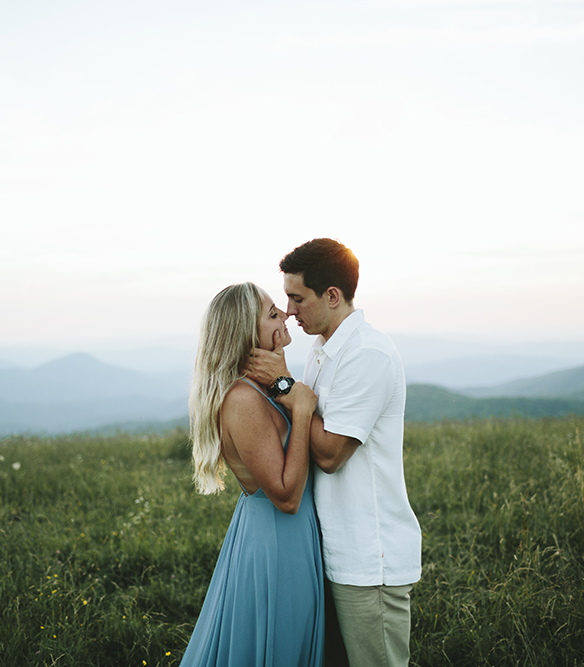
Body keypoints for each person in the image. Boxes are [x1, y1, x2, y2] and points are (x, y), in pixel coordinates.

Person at [246, 238, 422, 667]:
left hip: (368, 559)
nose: (289, 310)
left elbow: (330, 454)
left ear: (332, 295)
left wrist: (284, 384)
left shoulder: (367, 354)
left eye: (297, 297)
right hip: (332, 552)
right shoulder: (323, 351)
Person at [180, 282, 325, 667]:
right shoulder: (242, 398)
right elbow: (286, 496)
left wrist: (286, 385)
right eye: (273, 314)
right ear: (248, 331)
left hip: (289, 539)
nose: (286, 315)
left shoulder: (264, 388)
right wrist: (303, 408)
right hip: (276, 542)